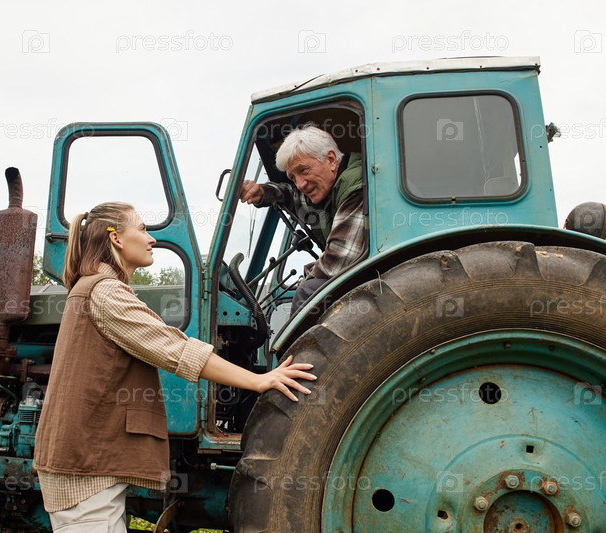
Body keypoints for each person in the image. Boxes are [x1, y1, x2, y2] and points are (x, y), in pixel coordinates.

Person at [33, 201, 316, 532]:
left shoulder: (93, 286)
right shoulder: (105, 293)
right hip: (84, 467)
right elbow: (178, 350)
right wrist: (259, 380)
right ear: (116, 239)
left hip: (84, 463)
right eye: (142, 229)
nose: (151, 238)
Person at [239, 124, 366, 312]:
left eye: (303, 170)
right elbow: (289, 194)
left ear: (331, 160)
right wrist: (262, 192)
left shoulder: (356, 186)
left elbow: (338, 261)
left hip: (377, 277)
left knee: (309, 290)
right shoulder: (328, 190)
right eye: (293, 177)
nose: (300, 184)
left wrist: (306, 275)